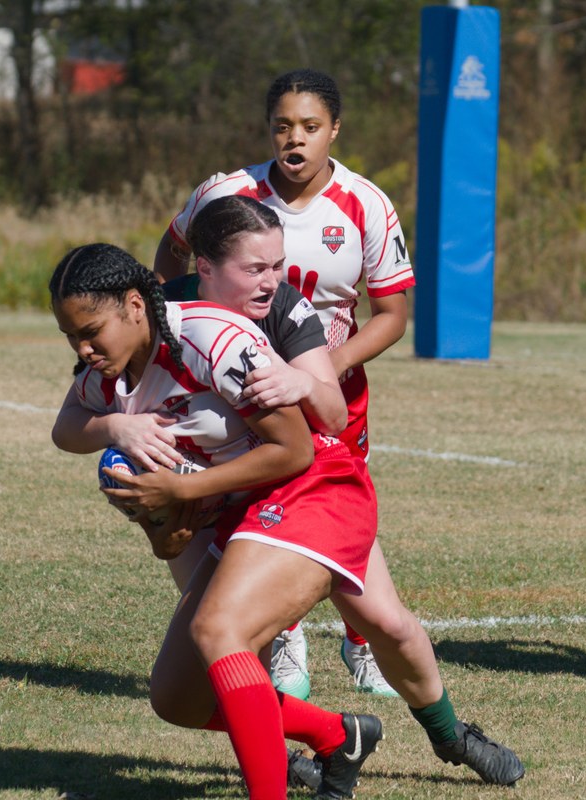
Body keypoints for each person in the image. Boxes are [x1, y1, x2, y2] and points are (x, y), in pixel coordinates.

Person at [146, 196, 524, 792]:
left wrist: (300, 380)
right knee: (196, 674)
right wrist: (122, 435)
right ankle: (318, 737)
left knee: (385, 624)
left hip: (303, 486)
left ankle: (450, 735)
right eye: (256, 268)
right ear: (205, 266)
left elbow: (326, 409)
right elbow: (93, 406)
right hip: (221, 496)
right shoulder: (166, 312)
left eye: (279, 264)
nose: (274, 280)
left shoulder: (282, 308)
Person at [49, 239, 385, 800]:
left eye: (90, 332)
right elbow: (66, 428)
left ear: (135, 306)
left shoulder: (209, 337)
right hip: (248, 511)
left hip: (316, 486)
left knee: (219, 632)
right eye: (70, 336)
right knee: (177, 697)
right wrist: (121, 441)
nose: (82, 349)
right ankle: (337, 735)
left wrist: (182, 488)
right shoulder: (112, 379)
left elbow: (295, 449)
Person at [154, 67, 413, 699]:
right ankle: (283, 636)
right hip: (236, 388)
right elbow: (171, 258)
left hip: (330, 394)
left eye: (310, 127)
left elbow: (394, 315)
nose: (293, 140)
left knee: (338, 512)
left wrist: (325, 368)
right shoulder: (227, 193)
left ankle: (360, 643)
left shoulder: (366, 203)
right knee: (256, 505)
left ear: (335, 131)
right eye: (282, 126)